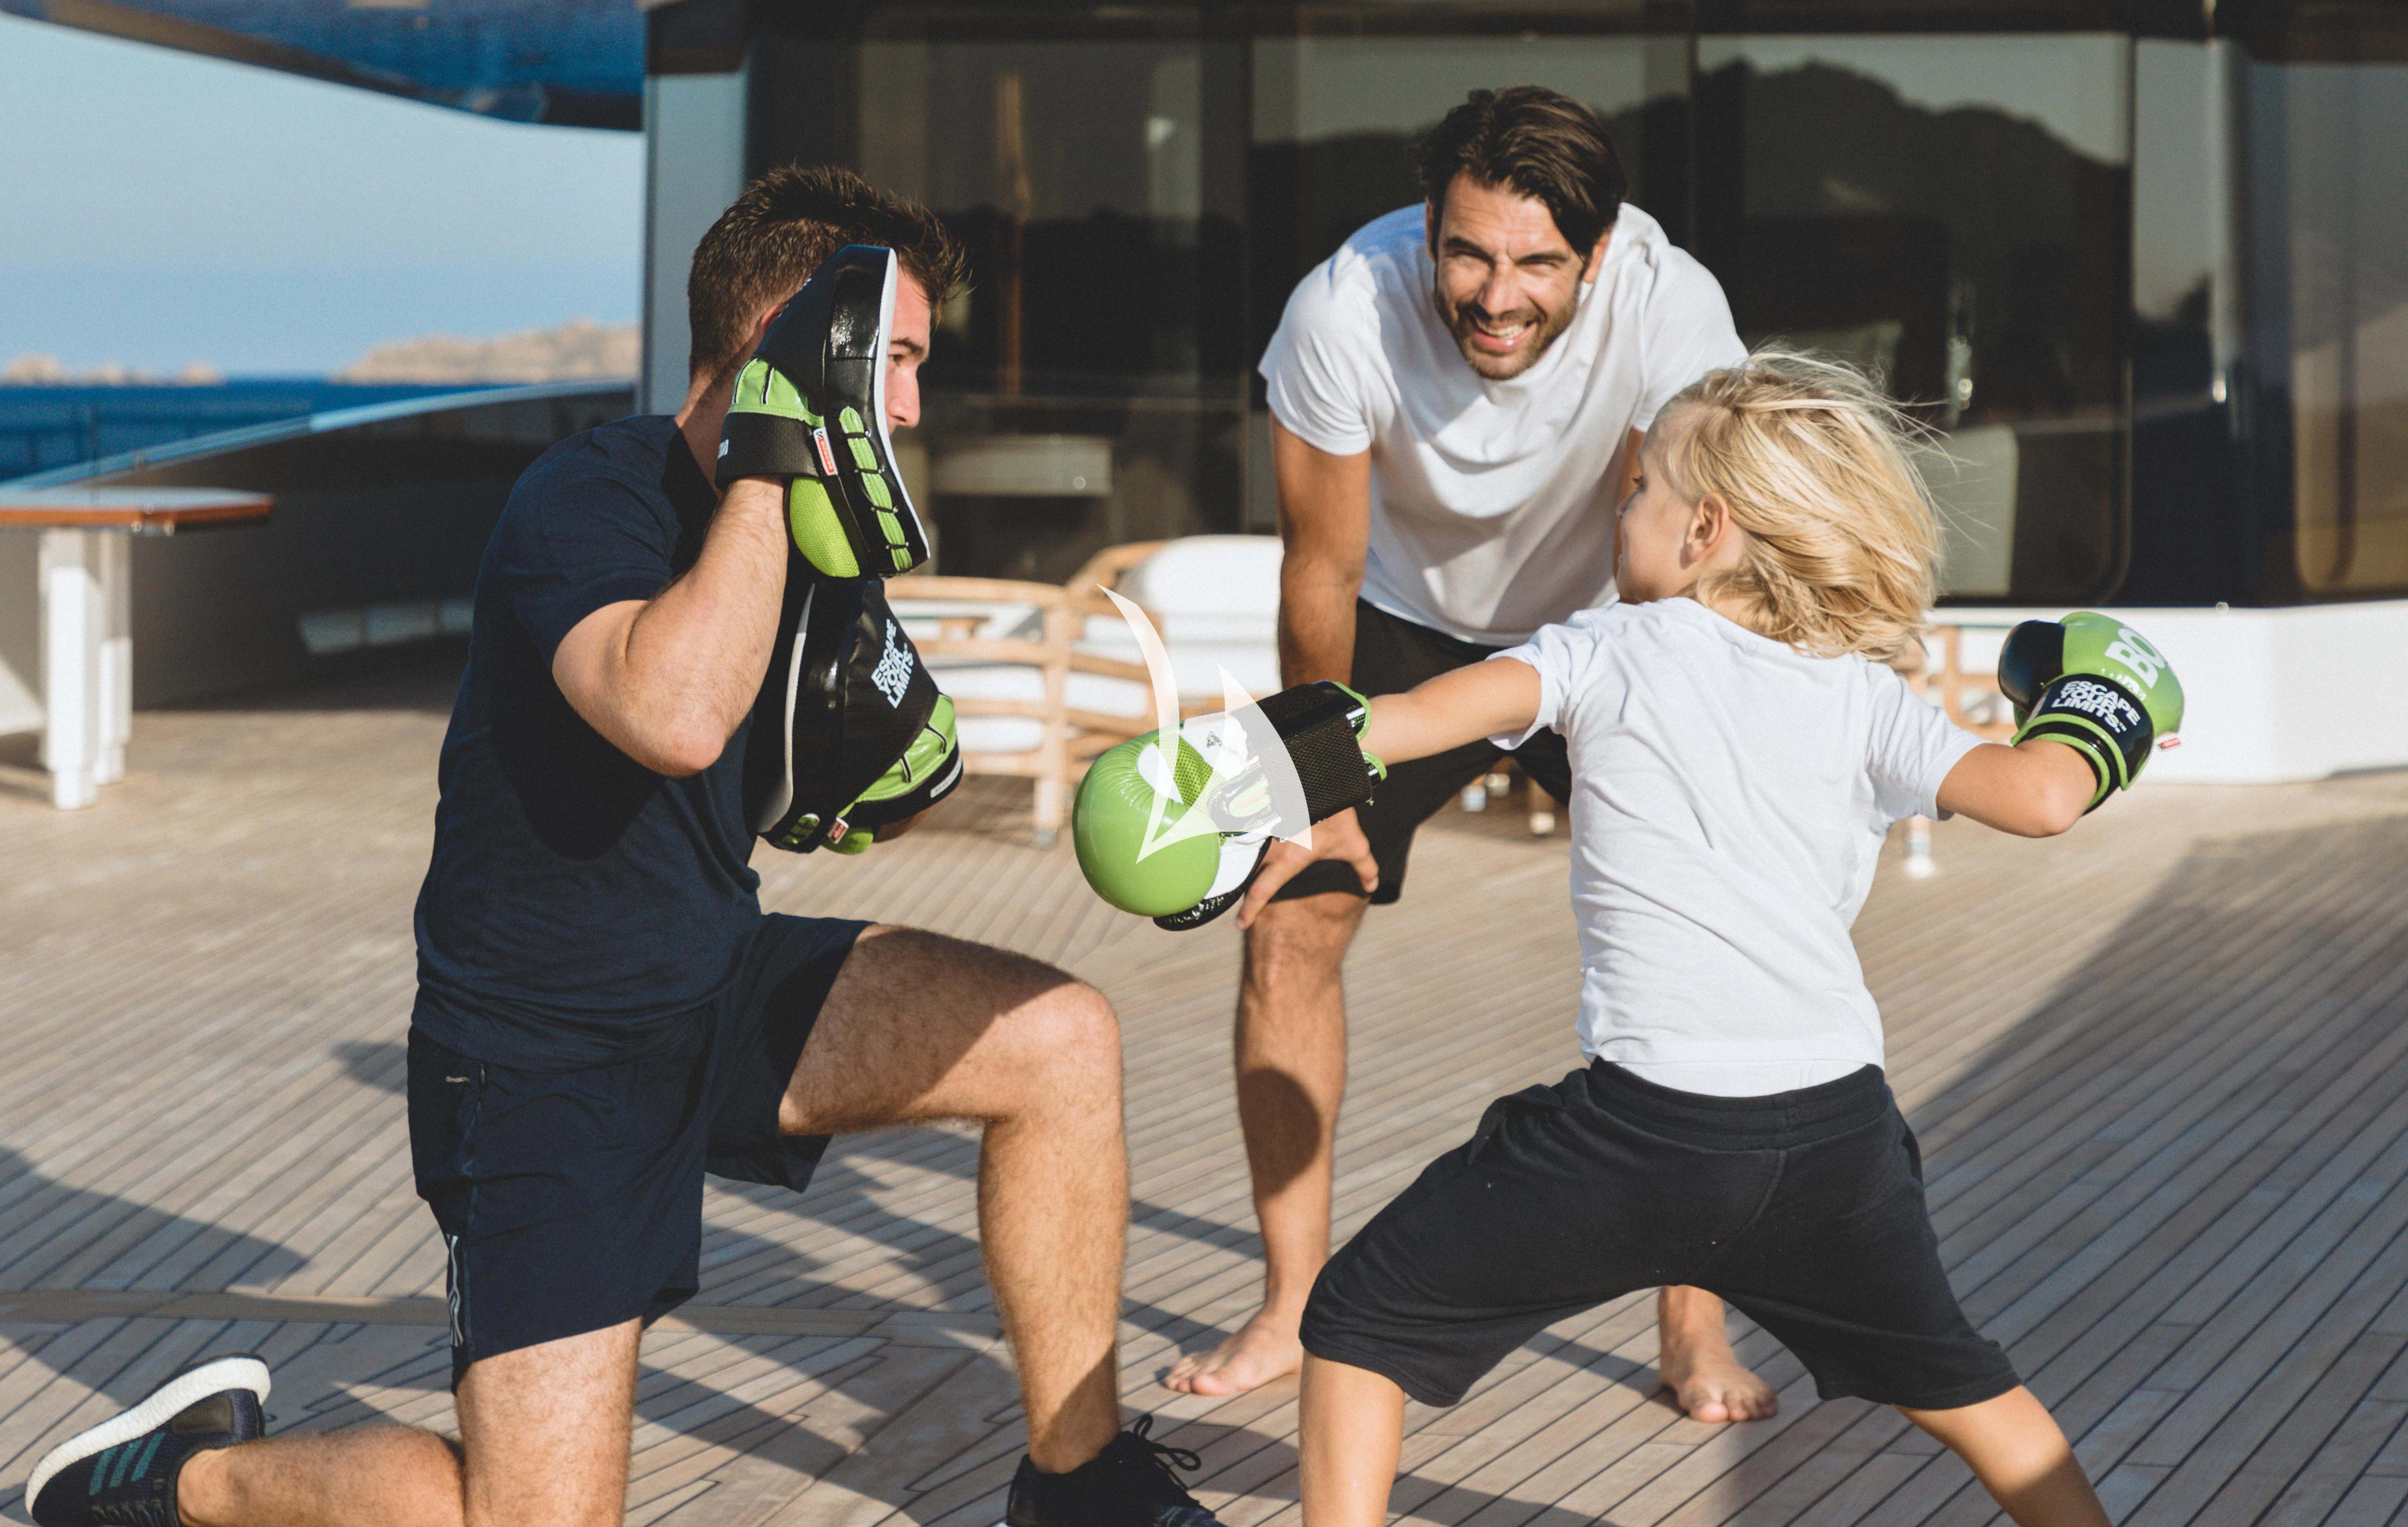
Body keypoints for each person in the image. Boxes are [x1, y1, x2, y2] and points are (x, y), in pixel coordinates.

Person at [24, 166, 1225, 1527]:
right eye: (890, 359)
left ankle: (1080, 1486)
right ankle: (190, 1478)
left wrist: (920, 783)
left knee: (1061, 1040)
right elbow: (673, 715)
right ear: (789, 338)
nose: (907, 406)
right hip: (544, 1063)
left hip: (711, 982)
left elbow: (803, 767)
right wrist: (775, 454)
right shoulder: (587, 499)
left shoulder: (808, 527)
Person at [1292, 352, 2181, 1527]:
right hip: (1837, 1137)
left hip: (1643, 1135)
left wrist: (1223, 777)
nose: (1622, 511)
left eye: (1640, 489)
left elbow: (1397, 723)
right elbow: (2044, 797)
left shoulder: (1602, 649)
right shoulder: (1860, 694)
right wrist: (2106, 701)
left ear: (1705, 529)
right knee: (1966, 1390)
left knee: (1360, 1323)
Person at [1166, 85, 1768, 1416]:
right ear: (1428, 227)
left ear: (1598, 251)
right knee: (1291, 922)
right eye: (1468, 254)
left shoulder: (1673, 309)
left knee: (1702, 936)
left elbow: (1684, 560)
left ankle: (1693, 1322)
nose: (1497, 297)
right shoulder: (1342, 310)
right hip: (1396, 623)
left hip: (1609, 618)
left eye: (1537, 263)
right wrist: (1317, 790)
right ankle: (1291, 1308)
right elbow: (1319, 566)